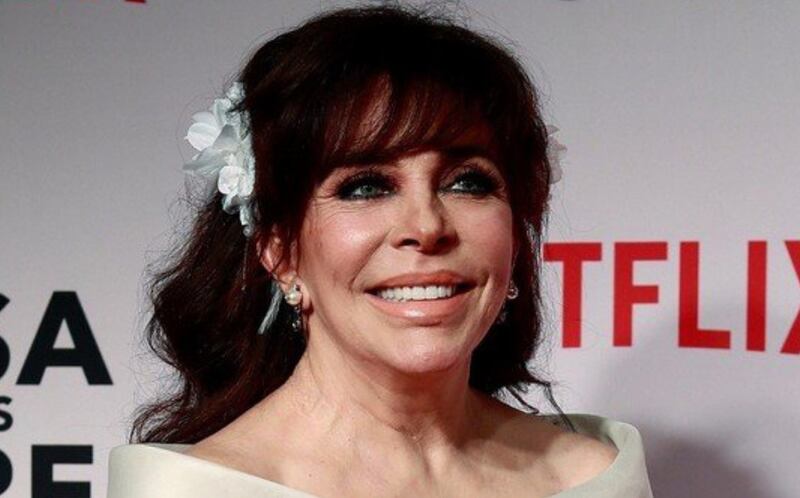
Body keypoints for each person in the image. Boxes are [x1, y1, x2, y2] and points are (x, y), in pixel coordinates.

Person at [108, 5, 653, 497]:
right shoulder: (193, 491)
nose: (426, 226)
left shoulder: (592, 479)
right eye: (365, 187)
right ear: (279, 249)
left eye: (467, 182)